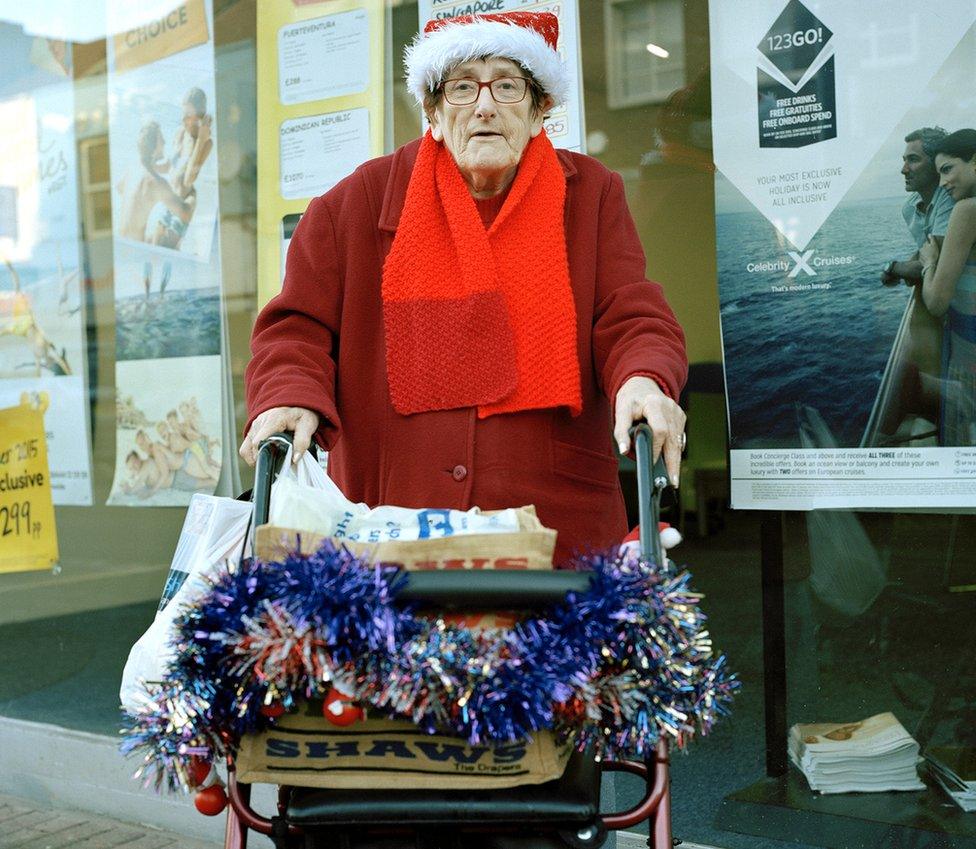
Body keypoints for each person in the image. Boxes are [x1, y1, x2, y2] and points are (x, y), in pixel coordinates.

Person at [240, 12, 687, 562]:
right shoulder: (354, 202)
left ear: (540, 107)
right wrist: (286, 395)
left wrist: (643, 378)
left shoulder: (591, 194)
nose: (484, 105)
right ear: (431, 109)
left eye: (506, 85)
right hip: (392, 527)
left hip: (556, 529)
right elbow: (295, 329)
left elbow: (630, 312)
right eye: (460, 88)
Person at [917, 129, 976, 445]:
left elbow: (937, 302)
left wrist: (929, 261)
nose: (942, 182)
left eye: (948, 169)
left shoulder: (967, 211)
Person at [881, 127, 953, 285]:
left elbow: (939, 264)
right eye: (904, 160)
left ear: (937, 163)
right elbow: (926, 254)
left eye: (913, 160)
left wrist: (893, 268)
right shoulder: (910, 208)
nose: (904, 170)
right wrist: (905, 267)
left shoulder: (951, 198)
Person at [150, 87, 213, 249]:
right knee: (154, 246)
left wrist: (200, 140)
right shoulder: (180, 133)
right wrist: (149, 166)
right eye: (183, 114)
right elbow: (170, 166)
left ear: (200, 116)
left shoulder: (206, 143)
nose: (184, 119)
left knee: (168, 247)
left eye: (189, 115)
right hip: (170, 199)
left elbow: (189, 179)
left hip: (184, 202)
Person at [115, 121, 192, 243]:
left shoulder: (132, 169)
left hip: (122, 241)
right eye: (161, 140)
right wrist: (192, 195)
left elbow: (119, 188)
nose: (165, 143)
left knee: (152, 236)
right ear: (153, 148)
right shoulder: (157, 184)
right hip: (136, 250)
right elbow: (185, 214)